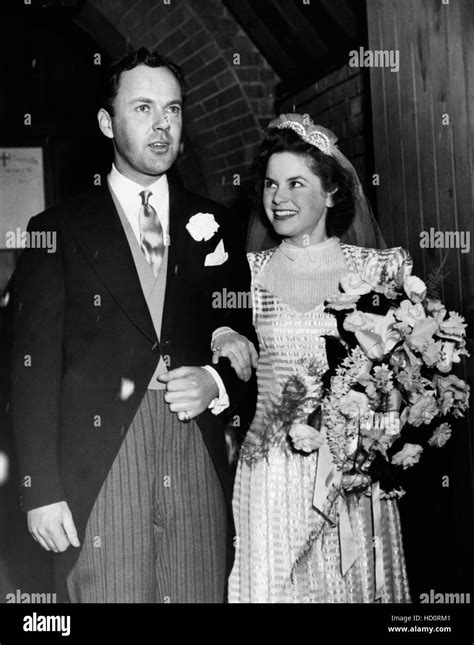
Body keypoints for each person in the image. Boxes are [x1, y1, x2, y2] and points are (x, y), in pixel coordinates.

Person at [9, 47, 257, 603]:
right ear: (107, 122)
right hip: (98, 462)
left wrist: (215, 383)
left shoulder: (215, 223)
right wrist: (40, 491)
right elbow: (31, 369)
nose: (162, 125)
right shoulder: (57, 229)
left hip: (193, 449)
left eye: (172, 109)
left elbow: (243, 340)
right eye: (143, 108)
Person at [217, 114, 412, 602]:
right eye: (271, 184)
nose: (279, 197)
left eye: (296, 183)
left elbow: (399, 381)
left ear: (331, 193)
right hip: (268, 478)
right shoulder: (248, 276)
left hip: (350, 475)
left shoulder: (375, 271)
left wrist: (365, 442)